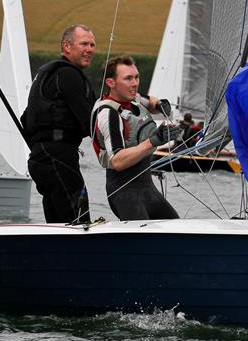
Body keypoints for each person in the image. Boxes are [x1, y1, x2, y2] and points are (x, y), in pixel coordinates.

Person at [21, 24, 98, 223]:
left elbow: (25, 119)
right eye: (84, 44)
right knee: (79, 222)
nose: (90, 49)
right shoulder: (68, 74)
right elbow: (90, 120)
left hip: (40, 159)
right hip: (59, 158)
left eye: (92, 44)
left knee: (58, 226)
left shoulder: (46, 73)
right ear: (66, 46)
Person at [91, 55, 181, 220]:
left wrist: (160, 105)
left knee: (177, 229)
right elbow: (117, 161)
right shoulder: (108, 114)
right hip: (123, 192)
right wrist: (153, 141)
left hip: (147, 188)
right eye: (128, 79)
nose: (134, 83)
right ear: (111, 83)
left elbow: (150, 102)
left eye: (136, 77)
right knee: (145, 240)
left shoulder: (133, 98)